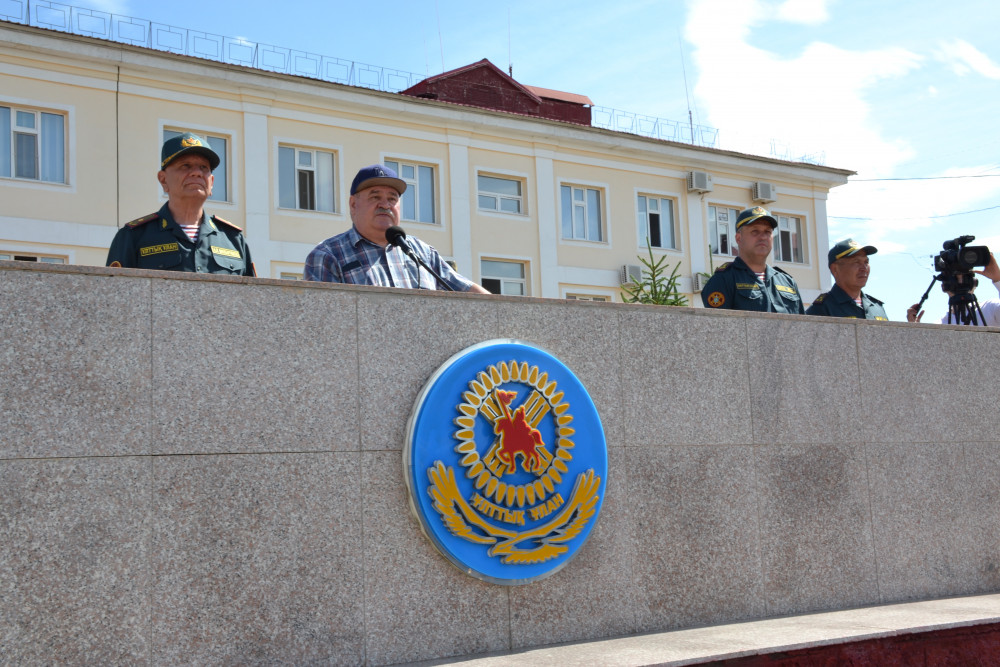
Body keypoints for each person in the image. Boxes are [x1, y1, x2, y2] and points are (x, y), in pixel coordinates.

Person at [304, 164, 490, 293]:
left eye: (392, 198)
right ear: (353, 205)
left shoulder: (422, 253)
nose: (385, 205)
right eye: (375, 197)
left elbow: (468, 294)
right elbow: (323, 324)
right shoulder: (328, 256)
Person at [106, 132, 255, 275]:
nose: (197, 173)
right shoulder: (134, 236)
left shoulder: (233, 239)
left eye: (204, 167)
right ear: (163, 180)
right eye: (186, 166)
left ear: (212, 182)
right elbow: (115, 294)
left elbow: (252, 296)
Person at [701, 206, 804, 313]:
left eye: (767, 232)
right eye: (755, 231)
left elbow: (803, 326)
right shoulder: (724, 279)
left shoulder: (787, 282)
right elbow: (719, 325)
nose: (763, 237)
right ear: (738, 238)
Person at [907, 251, 1000, 326]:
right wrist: (916, 330)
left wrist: (998, 279)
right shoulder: (940, 325)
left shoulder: (990, 308)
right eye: (954, 278)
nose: (960, 282)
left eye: (966, 277)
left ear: (974, 282)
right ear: (944, 286)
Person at [806, 239, 887, 320]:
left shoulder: (877, 307)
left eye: (866, 262)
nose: (864, 268)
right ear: (835, 269)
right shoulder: (821, 308)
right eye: (856, 262)